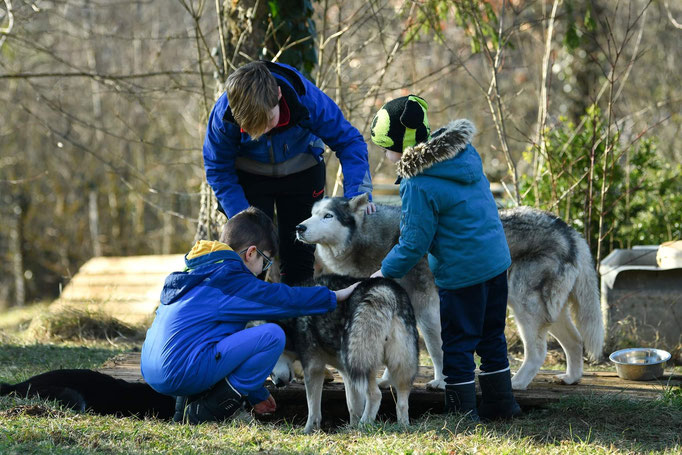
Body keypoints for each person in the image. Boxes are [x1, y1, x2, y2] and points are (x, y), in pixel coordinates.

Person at [369, 95, 520, 421]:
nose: (383, 155)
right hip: (495, 262)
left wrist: (383, 273)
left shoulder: (417, 183)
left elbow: (413, 243)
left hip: (462, 273)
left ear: (402, 144)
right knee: (492, 336)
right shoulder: (463, 153)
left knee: (458, 345)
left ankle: (462, 416)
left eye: (385, 146)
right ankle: (501, 406)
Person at [140, 207, 358, 424]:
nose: (263, 269)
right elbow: (284, 298)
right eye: (266, 261)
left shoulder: (199, 270)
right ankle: (208, 411)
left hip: (152, 369)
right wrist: (334, 296)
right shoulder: (232, 280)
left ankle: (184, 408)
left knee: (216, 339)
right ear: (251, 253)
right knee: (272, 335)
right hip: (180, 372)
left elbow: (220, 344)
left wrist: (258, 395)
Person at [203, 60, 376, 286]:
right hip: (249, 178)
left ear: (278, 95)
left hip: (302, 172)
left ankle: (297, 319)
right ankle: (247, 318)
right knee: (248, 256)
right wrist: (240, 215)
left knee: (299, 259)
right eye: (253, 129)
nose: (265, 131)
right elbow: (217, 167)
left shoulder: (307, 99)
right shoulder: (224, 115)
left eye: (268, 121)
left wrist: (357, 193)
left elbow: (349, 141)